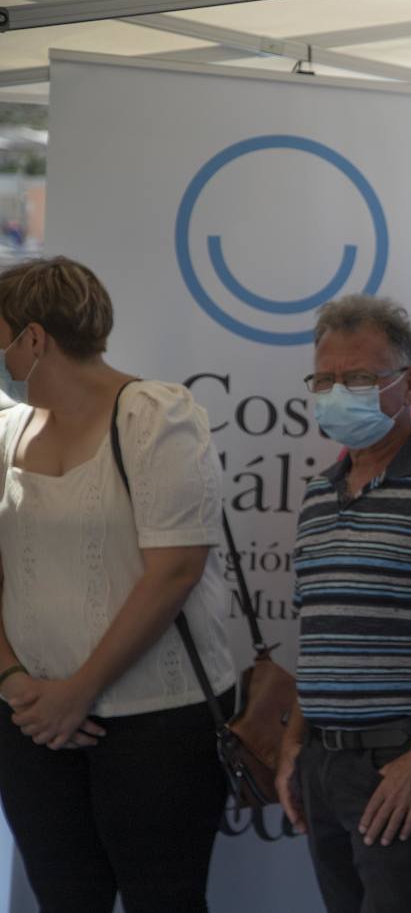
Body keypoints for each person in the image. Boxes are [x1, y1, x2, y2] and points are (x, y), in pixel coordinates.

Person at [0, 256, 236, 912]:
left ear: (35, 337)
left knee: (165, 899)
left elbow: (176, 570)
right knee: (64, 900)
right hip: (29, 723)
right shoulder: (7, 429)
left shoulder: (155, 416)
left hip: (155, 727)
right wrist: (15, 683)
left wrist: (78, 692)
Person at [275, 294, 411, 913]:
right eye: (325, 379)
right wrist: (293, 751)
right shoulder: (317, 494)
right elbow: (319, 636)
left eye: (359, 378)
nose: (338, 392)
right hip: (322, 765)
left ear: (408, 381)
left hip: (403, 764)